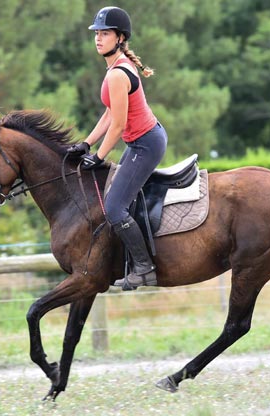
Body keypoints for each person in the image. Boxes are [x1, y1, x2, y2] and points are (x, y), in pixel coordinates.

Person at [67, 6, 167, 289]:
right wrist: (86, 143)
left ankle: (145, 267)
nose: (98, 39)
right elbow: (110, 113)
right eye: (97, 34)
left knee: (113, 207)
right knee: (117, 196)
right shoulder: (117, 66)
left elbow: (119, 125)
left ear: (120, 38)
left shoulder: (117, 74)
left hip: (145, 144)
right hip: (143, 140)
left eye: (105, 34)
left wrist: (98, 157)